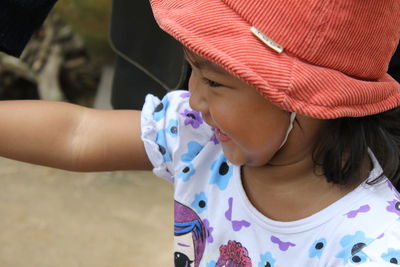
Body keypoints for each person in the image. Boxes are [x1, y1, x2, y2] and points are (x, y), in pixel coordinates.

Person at [1, 0, 400, 266]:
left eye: (214, 82)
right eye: (192, 69)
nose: (192, 99)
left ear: (308, 102)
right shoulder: (198, 138)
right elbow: (78, 134)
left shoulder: (371, 245)